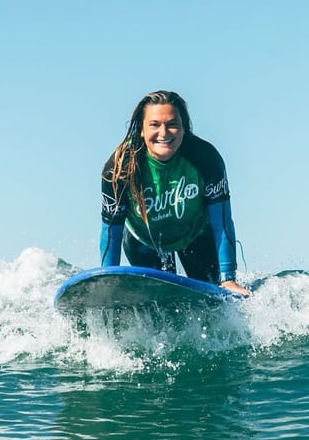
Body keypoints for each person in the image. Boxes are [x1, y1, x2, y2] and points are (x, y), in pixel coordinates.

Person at [99, 90, 250, 297]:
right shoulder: (120, 168)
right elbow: (111, 230)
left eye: (172, 124)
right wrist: (109, 282)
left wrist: (228, 279)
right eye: (154, 125)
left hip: (195, 236)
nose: (163, 133)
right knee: (160, 302)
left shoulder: (206, 159)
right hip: (144, 242)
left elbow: (222, 223)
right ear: (141, 130)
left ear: (183, 129)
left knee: (208, 299)